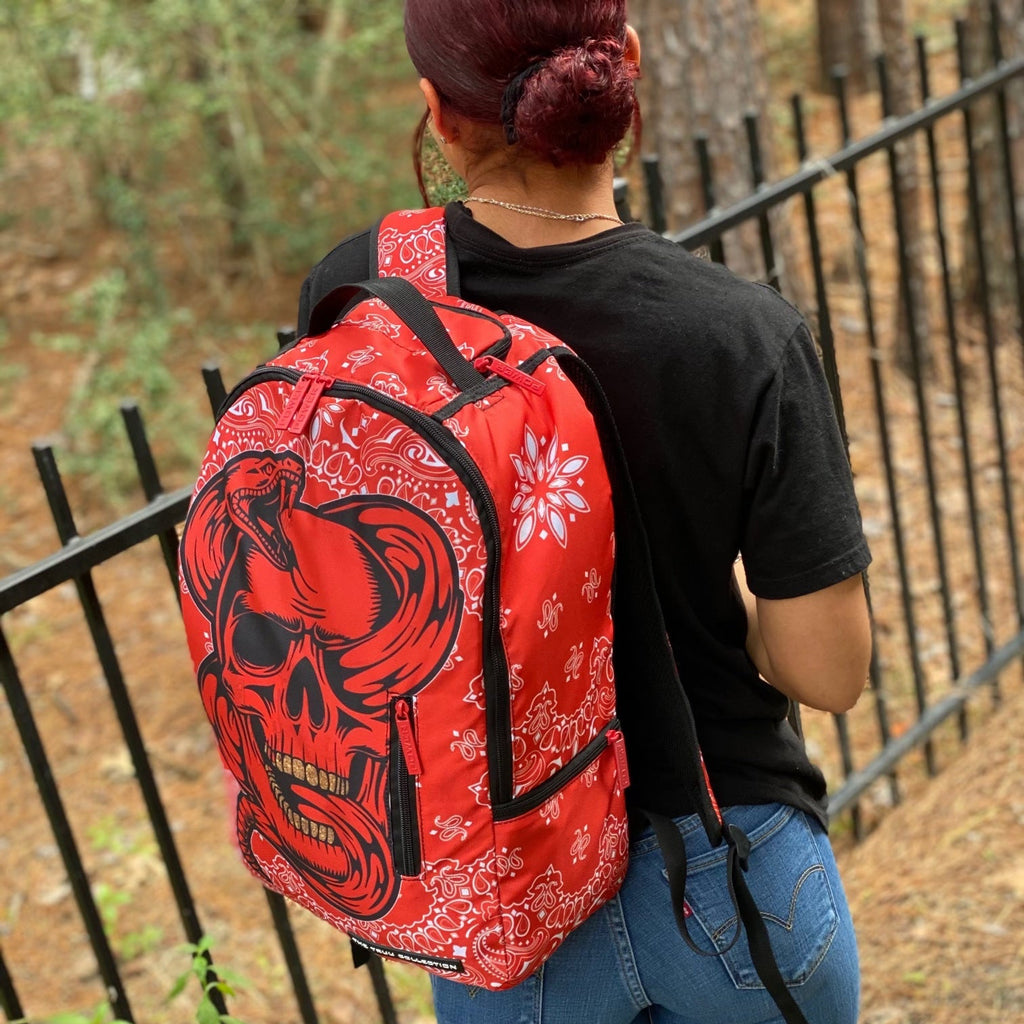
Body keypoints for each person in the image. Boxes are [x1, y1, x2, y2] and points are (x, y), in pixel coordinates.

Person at [296, 3, 873, 1022]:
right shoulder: (739, 336)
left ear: (437, 114)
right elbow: (827, 672)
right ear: (628, 68)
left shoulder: (362, 294)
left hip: (497, 882)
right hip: (728, 870)